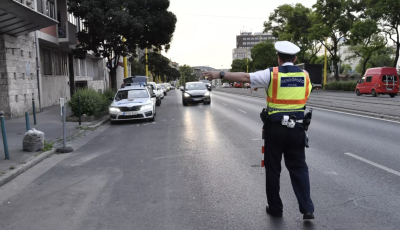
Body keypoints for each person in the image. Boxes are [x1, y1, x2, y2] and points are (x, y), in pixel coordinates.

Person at [202, 41, 314, 220]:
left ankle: (276, 208)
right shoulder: (305, 76)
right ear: (295, 58)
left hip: (275, 129)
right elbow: (305, 95)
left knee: (273, 169)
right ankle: (307, 208)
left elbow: (246, 77)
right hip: (297, 128)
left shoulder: (271, 74)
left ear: (279, 58)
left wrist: (220, 73)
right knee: (299, 167)